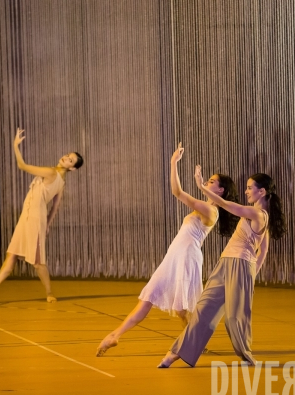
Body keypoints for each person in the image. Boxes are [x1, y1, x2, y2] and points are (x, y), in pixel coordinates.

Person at [96, 143, 238, 356]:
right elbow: (177, 191)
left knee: (182, 309)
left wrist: (183, 171)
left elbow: (178, 193)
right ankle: (116, 335)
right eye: (207, 179)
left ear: (220, 190)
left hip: (187, 257)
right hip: (174, 256)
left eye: (211, 181)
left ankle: (196, 342)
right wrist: (173, 163)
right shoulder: (205, 205)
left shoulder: (211, 210)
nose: (207, 181)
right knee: (149, 297)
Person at [158, 170, 287, 368]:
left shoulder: (258, 214)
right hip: (225, 264)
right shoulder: (255, 214)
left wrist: (202, 187)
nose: (246, 191)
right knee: (203, 310)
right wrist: (255, 271)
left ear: (261, 192)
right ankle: (176, 352)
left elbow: (228, 206)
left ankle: (246, 354)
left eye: (250, 188)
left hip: (241, 265)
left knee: (235, 316)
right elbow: (263, 250)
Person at [0, 128, 84, 304]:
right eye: (68, 155)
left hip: (35, 219)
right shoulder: (59, 179)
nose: (66, 158)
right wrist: (49, 224)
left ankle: (50, 293)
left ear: (72, 168)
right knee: (11, 254)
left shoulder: (52, 174)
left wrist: (15, 146)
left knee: (37, 262)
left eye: (70, 160)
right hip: (26, 216)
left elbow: (22, 166)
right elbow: (55, 207)